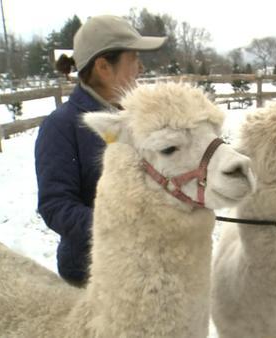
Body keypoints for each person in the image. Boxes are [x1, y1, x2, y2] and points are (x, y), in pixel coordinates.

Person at [35, 15, 166, 286]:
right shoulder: (61, 126)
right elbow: (55, 205)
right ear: (104, 67)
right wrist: (121, 226)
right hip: (93, 275)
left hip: (144, 265)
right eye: (133, 59)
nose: (140, 68)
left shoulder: (134, 118)